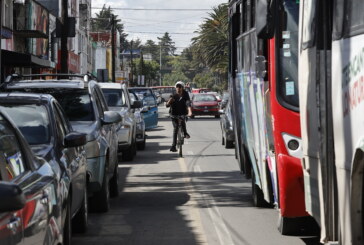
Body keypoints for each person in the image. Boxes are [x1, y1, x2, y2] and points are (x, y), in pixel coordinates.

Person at [166, 81, 192, 152]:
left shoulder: (185, 94)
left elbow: (188, 102)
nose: (178, 88)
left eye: (180, 87)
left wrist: (190, 111)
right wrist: (169, 101)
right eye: (177, 87)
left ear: (183, 88)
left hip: (182, 113)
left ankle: (185, 133)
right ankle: (173, 146)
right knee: (176, 127)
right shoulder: (173, 95)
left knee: (183, 119)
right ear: (175, 88)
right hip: (174, 114)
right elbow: (167, 105)